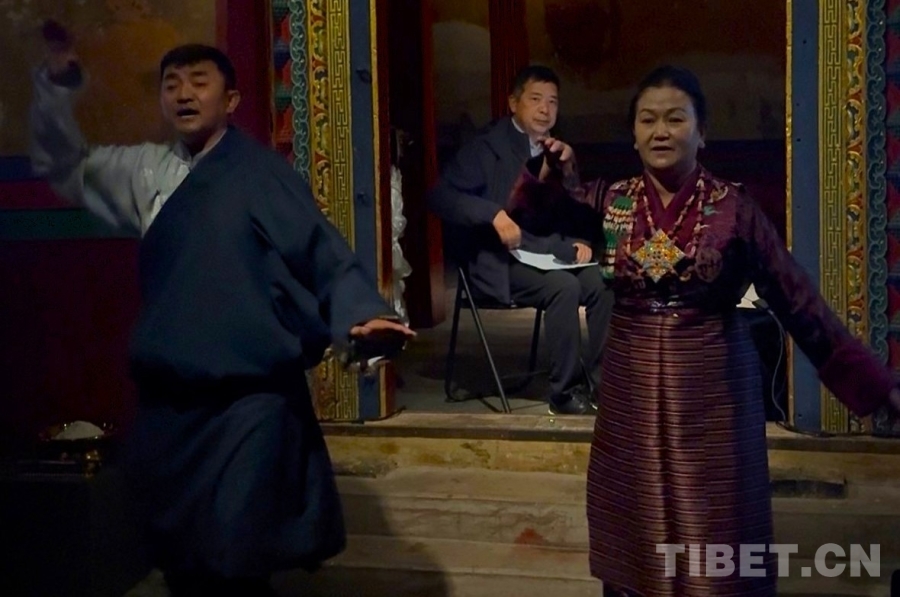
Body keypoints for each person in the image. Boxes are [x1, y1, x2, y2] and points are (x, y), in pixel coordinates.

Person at [29, 22, 415, 596]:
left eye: (199, 82)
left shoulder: (260, 174)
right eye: (172, 84)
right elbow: (63, 164)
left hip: (248, 404)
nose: (183, 94)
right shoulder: (144, 172)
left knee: (238, 555)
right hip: (171, 402)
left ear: (230, 100)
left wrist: (359, 312)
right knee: (182, 562)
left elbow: (320, 251)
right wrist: (56, 87)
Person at [510, 65, 900, 596]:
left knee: (716, 532)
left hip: (714, 395)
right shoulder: (611, 200)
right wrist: (549, 173)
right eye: (648, 120)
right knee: (636, 528)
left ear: (702, 132)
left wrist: (877, 386)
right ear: (634, 134)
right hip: (630, 393)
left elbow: (799, 302)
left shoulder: (735, 209)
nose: (661, 131)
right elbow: (534, 215)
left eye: (675, 119)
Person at [429, 64, 614, 415]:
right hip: (499, 258)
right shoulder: (486, 147)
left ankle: (606, 384)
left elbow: (571, 210)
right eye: (535, 99)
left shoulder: (557, 150)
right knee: (563, 287)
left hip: (547, 251)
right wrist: (492, 214)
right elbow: (439, 196)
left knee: (600, 282)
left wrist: (578, 233)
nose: (545, 109)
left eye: (552, 101)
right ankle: (564, 392)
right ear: (513, 103)